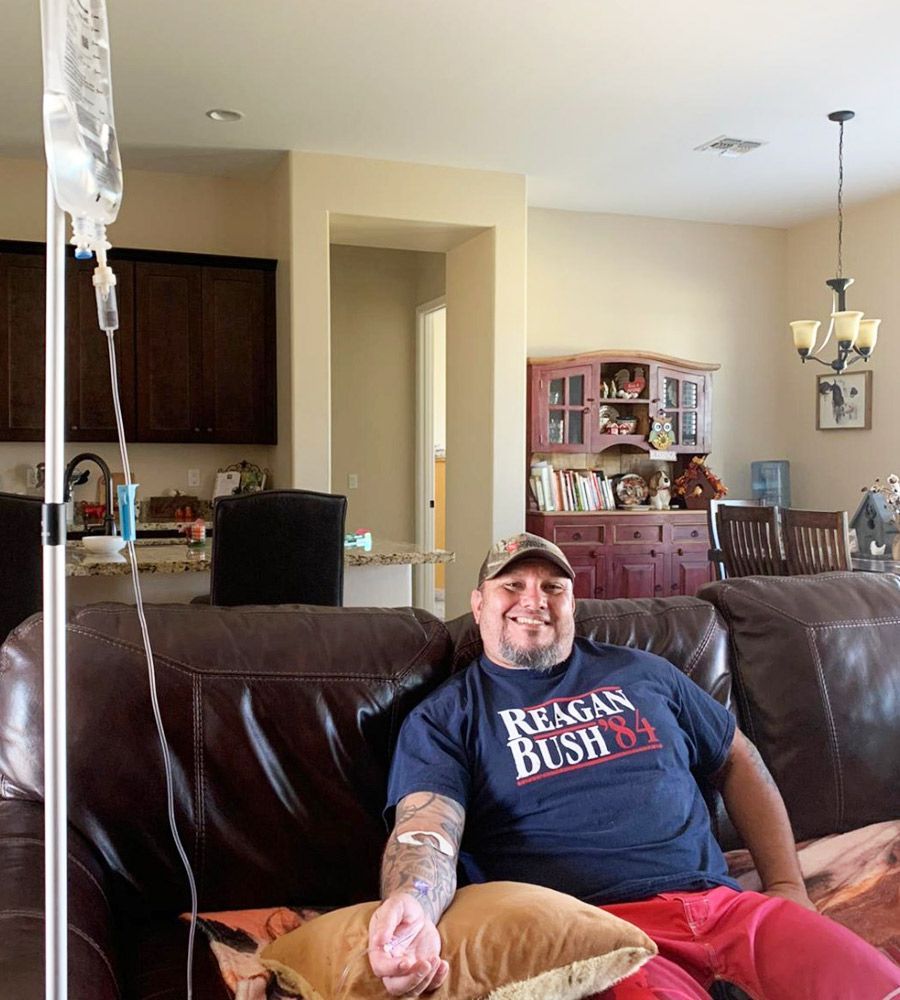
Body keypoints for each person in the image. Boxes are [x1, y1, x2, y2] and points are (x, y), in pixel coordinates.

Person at [368, 533, 900, 998]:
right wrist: (412, 903)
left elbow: (737, 755)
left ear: (574, 603)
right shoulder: (445, 716)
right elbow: (427, 829)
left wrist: (786, 885)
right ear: (478, 603)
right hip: (597, 934)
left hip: (726, 908)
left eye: (554, 587)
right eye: (513, 586)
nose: (534, 600)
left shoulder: (645, 672)